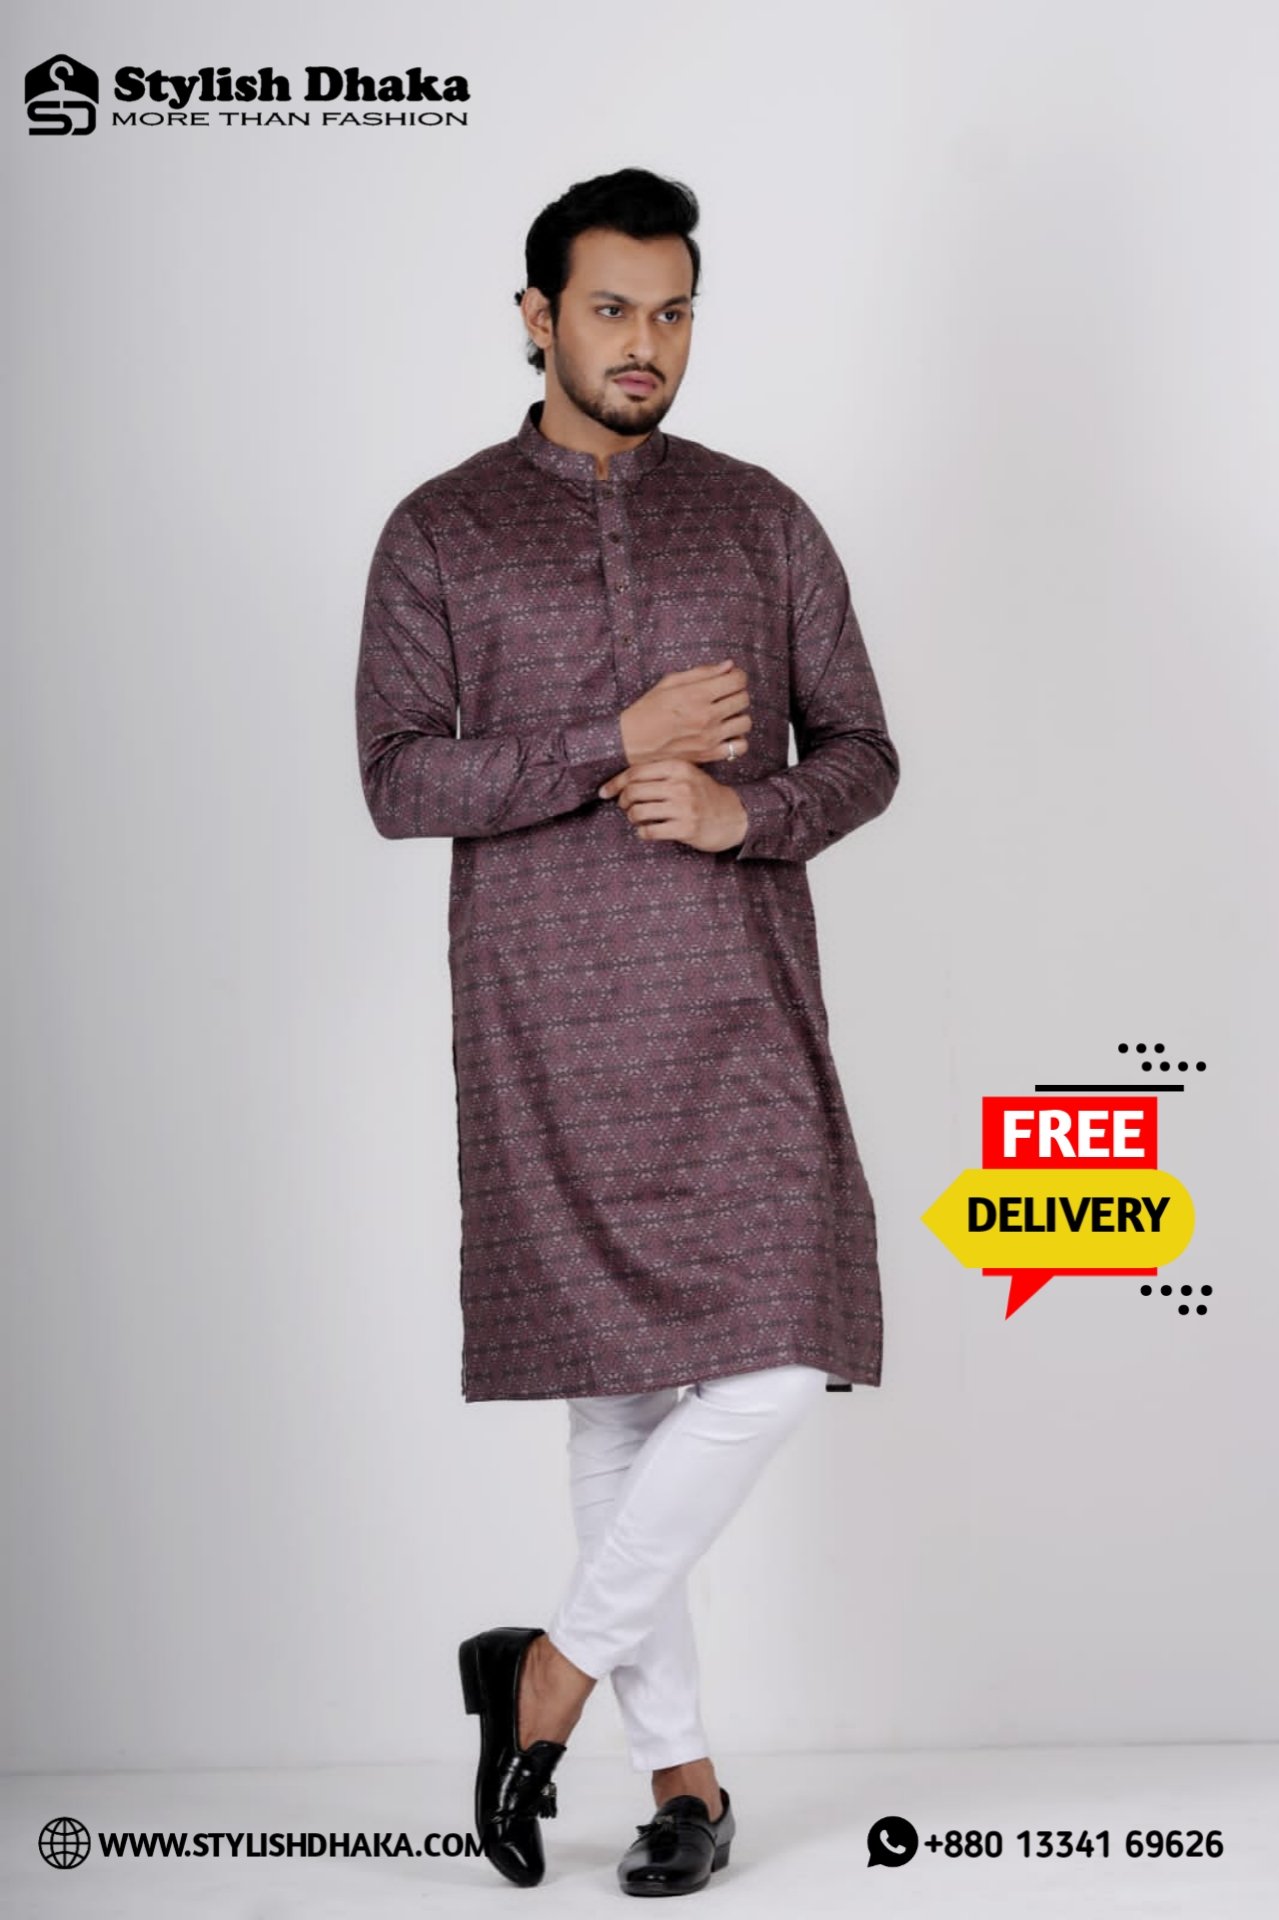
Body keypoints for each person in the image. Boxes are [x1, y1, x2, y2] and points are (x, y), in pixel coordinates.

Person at [355, 166, 900, 1893]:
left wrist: (750, 813)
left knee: (777, 1364)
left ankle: (545, 1679)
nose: (644, 343)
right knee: (613, 1410)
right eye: (609, 310)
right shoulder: (443, 530)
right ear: (537, 318)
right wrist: (615, 735)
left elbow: (864, 751)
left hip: (741, 1013)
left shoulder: (760, 519)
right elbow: (397, 779)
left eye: (672, 313)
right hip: (547, 1021)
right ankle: (684, 1784)